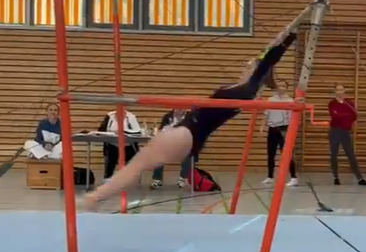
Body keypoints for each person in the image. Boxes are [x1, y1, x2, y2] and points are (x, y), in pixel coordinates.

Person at [82, 18, 299, 209]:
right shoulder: (239, 87)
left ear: (258, 72)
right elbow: (265, 59)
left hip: (188, 131)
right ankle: (97, 197)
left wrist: (290, 35)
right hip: (187, 133)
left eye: (250, 65)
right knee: (137, 164)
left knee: (137, 165)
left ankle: (96, 197)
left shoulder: (249, 88)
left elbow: (270, 58)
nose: (246, 64)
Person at [328, 83, 366, 186]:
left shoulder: (349, 103)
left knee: (351, 154)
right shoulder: (332, 103)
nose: (340, 92)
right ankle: (336, 177)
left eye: (341, 90)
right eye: (337, 90)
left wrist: (347, 118)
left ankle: (360, 178)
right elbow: (335, 116)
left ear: (344, 91)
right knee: (334, 154)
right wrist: (346, 116)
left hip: (346, 131)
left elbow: (354, 116)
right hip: (335, 131)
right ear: (335, 91)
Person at [260, 80, 298, 187]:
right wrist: (262, 126)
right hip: (272, 129)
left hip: (284, 129)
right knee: (270, 154)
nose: (281, 87)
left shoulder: (290, 101)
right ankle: (270, 176)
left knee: (286, 154)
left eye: (283, 86)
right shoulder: (271, 100)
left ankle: (294, 178)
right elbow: (266, 114)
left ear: (286, 88)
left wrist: (291, 131)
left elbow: (293, 118)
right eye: (279, 85)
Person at [150, 109, 193, 189]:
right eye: (176, 107)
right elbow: (161, 130)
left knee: (188, 155)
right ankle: (157, 179)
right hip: (169, 144)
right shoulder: (167, 116)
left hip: (184, 144)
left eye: (181, 107)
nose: (178, 109)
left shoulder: (190, 117)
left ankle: (182, 178)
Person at [98, 109, 141, 181]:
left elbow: (137, 131)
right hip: (112, 145)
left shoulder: (131, 116)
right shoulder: (109, 116)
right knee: (110, 156)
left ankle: (129, 179)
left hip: (128, 146)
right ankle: (107, 178)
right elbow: (101, 130)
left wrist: (123, 132)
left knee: (132, 159)